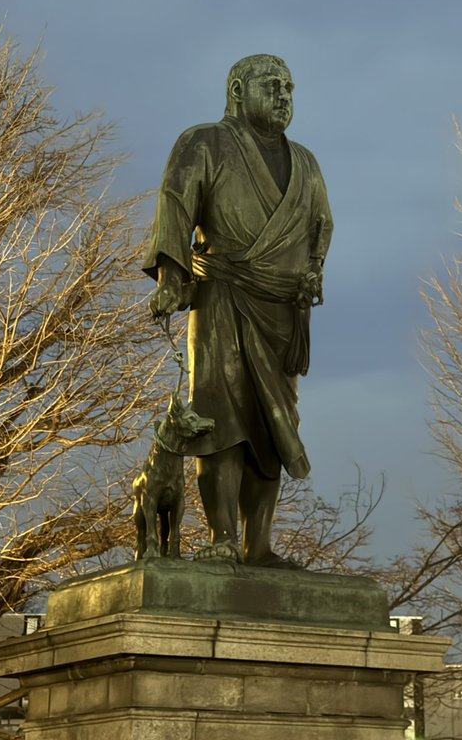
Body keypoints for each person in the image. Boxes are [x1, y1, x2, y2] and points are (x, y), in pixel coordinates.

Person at [144, 54, 332, 566]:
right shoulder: (203, 142)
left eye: (290, 88)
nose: (283, 96)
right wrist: (170, 275)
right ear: (236, 89)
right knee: (219, 419)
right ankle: (222, 536)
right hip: (223, 293)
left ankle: (259, 544)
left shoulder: (307, 163)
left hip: (284, 309)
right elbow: (176, 203)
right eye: (271, 86)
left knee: (274, 426)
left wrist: (314, 269)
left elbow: (321, 226)